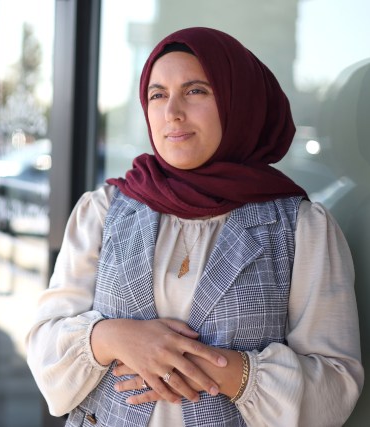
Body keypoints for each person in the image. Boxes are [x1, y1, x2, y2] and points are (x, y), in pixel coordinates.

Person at [26, 27, 364, 427]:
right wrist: (113, 337)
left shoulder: (302, 228)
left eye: (196, 91)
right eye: (158, 94)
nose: (172, 113)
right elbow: (45, 344)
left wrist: (228, 372)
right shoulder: (103, 210)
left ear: (239, 103)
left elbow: (335, 384)